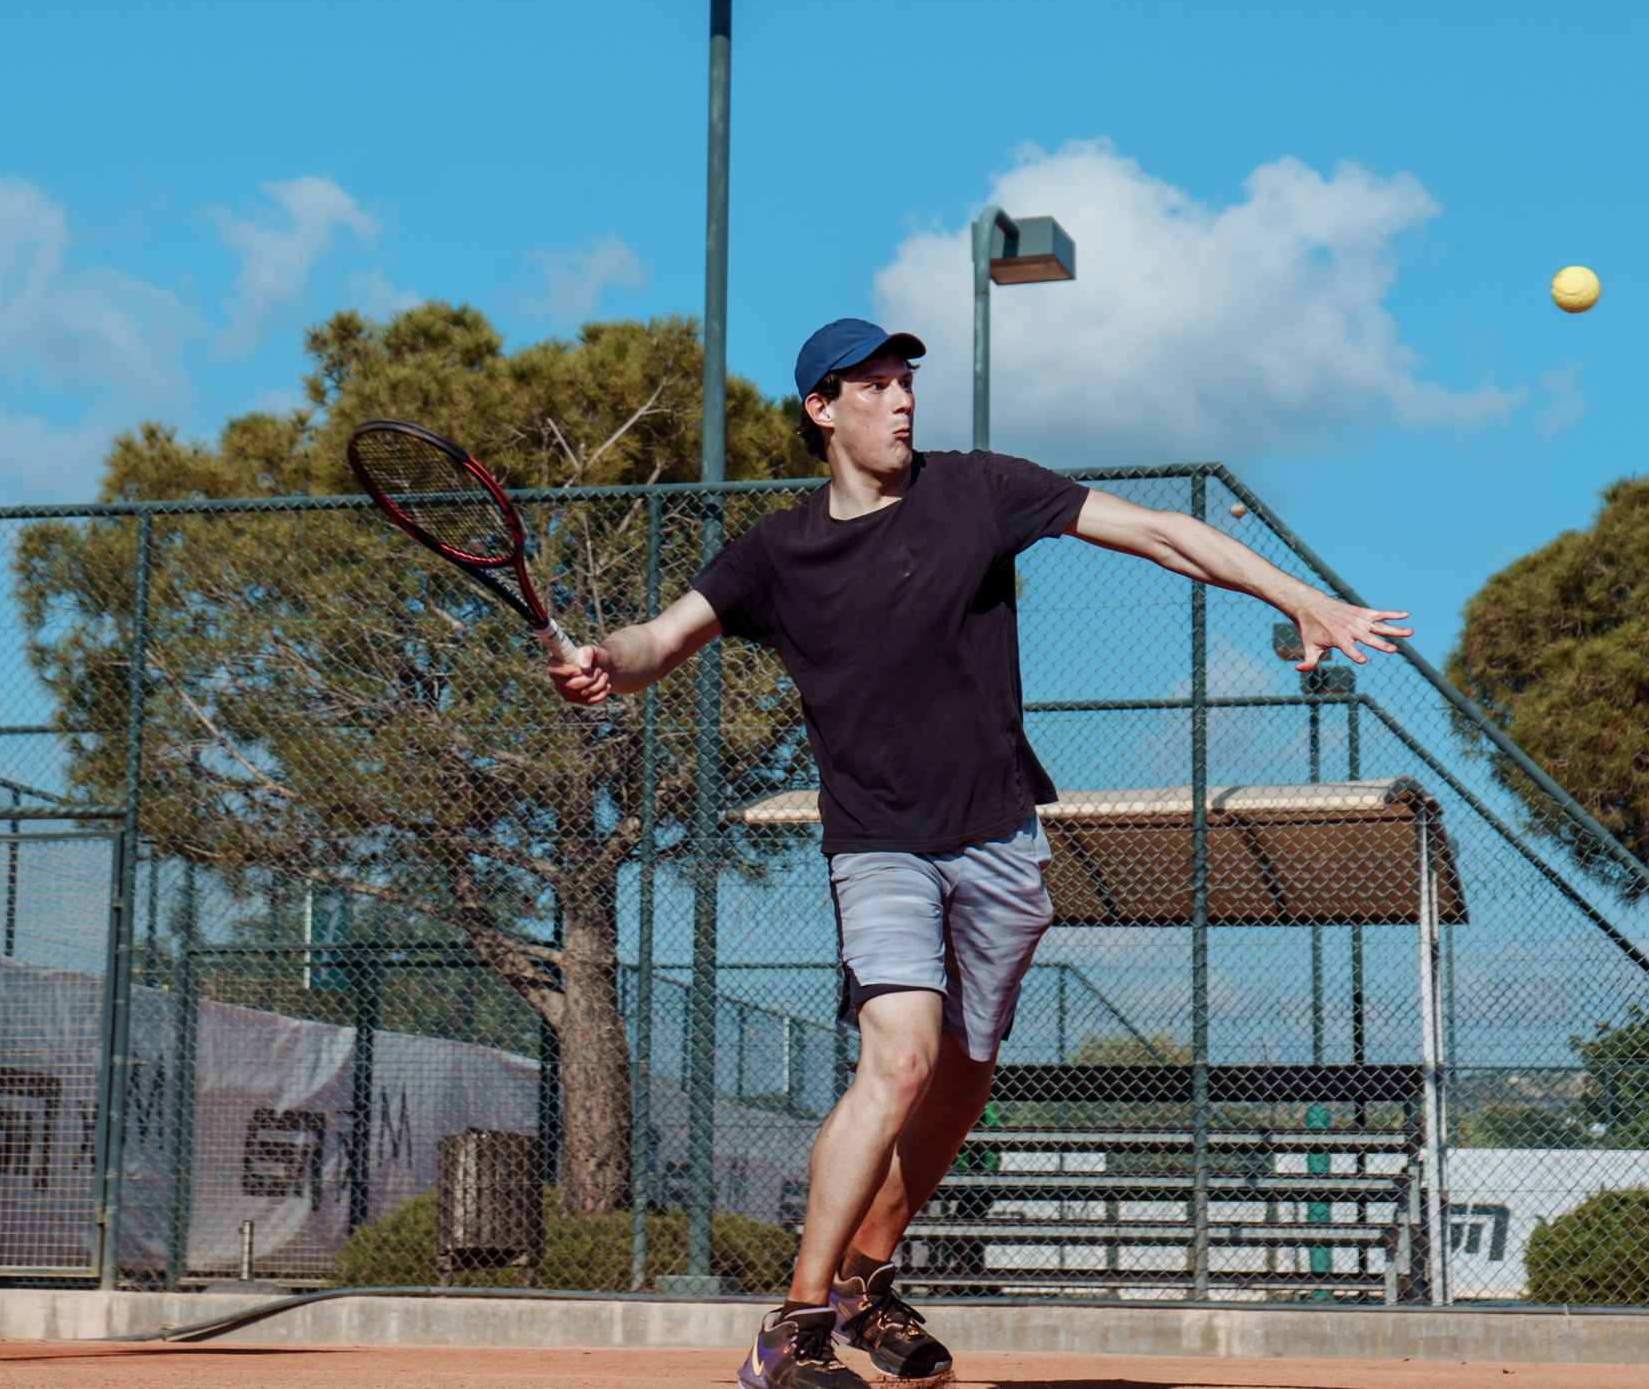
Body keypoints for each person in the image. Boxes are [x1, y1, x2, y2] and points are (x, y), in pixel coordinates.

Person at [548, 318, 1410, 1389]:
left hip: (999, 834)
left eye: (905, 381)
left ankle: (866, 1290)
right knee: (899, 1059)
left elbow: (1156, 531)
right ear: (821, 409)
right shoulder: (776, 552)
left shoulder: (981, 491)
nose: (901, 401)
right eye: (872, 386)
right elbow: (658, 642)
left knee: (957, 1086)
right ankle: (794, 1328)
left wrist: (1297, 594)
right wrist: (602, 663)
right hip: (878, 845)